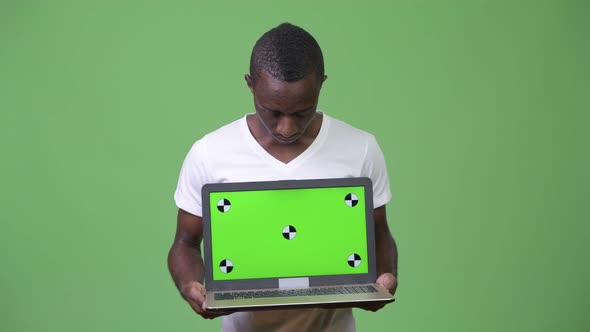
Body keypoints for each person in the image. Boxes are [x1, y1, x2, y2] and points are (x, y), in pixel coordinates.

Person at [168, 22, 398, 332]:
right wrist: (190, 286)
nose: (286, 128)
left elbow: (379, 231)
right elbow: (185, 243)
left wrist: (383, 279)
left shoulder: (361, 148)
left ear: (321, 84)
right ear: (250, 85)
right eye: (272, 111)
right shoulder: (210, 153)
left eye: (302, 112)